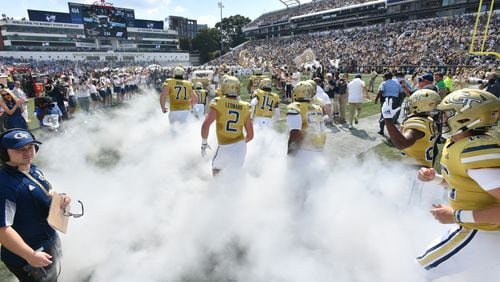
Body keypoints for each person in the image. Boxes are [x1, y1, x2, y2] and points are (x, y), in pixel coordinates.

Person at [416, 89, 500, 280]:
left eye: (448, 114)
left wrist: (457, 215)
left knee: (415, 272)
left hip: (484, 232)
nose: (441, 119)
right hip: (480, 227)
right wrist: (435, 178)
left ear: (466, 118)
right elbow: (470, 183)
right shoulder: (459, 143)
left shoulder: (474, 150)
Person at [0, 128, 72, 281]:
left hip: (47, 243)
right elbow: (3, 229)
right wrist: (30, 255)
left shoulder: (32, 169)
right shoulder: (5, 185)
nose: (27, 152)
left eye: (30, 147)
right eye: (19, 149)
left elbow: (47, 191)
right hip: (28, 254)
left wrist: (60, 198)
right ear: (4, 153)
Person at [201, 76, 253, 176]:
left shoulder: (218, 102)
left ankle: (218, 190)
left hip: (224, 146)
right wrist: (238, 144)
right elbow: (250, 135)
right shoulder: (246, 106)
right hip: (240, 147)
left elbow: (205, 125)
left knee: (216, 169)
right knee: (235, 175)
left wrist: (204, 143)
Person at [287, 81, 326, 156]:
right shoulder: (318, 108)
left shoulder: (296, 107)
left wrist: (290, 155)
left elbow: (295, 133)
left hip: (305, 150)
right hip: (320, 148)